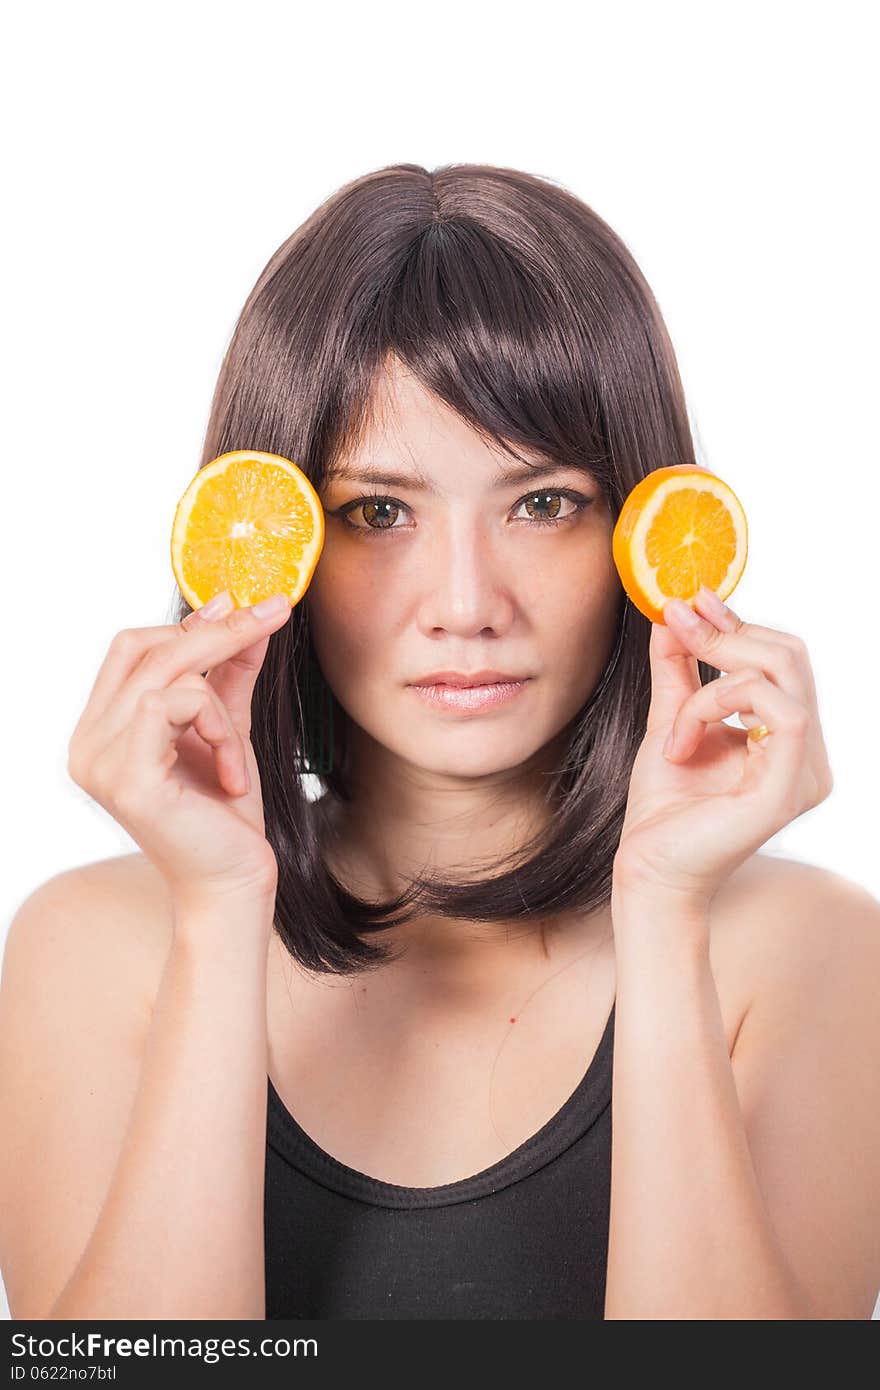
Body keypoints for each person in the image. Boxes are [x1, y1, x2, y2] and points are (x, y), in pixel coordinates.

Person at [1, 162, 878, 1322]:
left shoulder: (811, 951)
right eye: (379, 511)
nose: (465, 603)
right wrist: (220, 910)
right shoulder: (92, 946)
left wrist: (664, 911)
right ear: (279, 547)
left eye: (543, 502)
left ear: (645, 530)